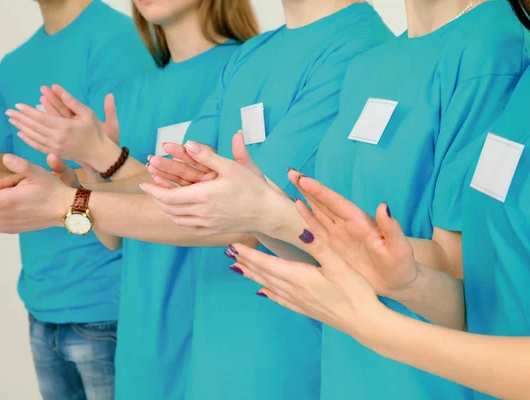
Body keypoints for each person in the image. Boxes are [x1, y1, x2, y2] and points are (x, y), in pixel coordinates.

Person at [0, 1, 394, 398]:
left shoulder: (353, 50)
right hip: (178, 340)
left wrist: (70, 201)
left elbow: (237, 213)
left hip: (270, 343)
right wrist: (91, 172)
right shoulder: (253, 57)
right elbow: (170, 196)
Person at [138, 0, 528, 398]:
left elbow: (465, 278)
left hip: (427, 379)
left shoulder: (495, 46)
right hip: (347, 370)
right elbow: (348, 255)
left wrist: (274, 215)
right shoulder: (372, 65)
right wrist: (264, 213)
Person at [223, 54, 530, 397]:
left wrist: (376, 327)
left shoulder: (496, 53)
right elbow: (486, 304)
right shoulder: (521, 88)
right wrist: (406, 282)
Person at [14, 1, 259, 398]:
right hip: (142, 335)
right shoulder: (135, 90)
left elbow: (239, 217)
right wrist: (88, 176)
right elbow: (112, 238)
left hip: (219, 328)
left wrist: (100, 162)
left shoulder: (244, 70)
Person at [0, 1, 155, 399]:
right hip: (41, 308)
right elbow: (10, 185)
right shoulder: (13, 66)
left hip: (109, 310)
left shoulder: (118, 42)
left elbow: (131, 185)